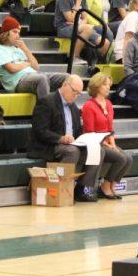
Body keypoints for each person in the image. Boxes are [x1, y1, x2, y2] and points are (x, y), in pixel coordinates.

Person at [27, 74, 100, 202]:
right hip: (48, 145)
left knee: (97, 150)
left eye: (78, 94)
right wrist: (61, 138)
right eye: (74, 91)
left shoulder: (74, 108)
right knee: (72, 151)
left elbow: (77, 132)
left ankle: (82, 189)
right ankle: (61, 189)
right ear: (65, 85)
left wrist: (87, 140)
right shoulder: (46, 102)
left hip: (70, 144)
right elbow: (40, 131)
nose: (76, 96)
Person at [81, 73, 134, 199]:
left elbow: (110, 129)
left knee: (128, 159)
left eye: (109, 85)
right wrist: (107, 145)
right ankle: (105, 186)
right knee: (121, 158)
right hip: (95, 142)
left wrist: (113, 144)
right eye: (105, 84)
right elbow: (90, 131)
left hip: (107, 142)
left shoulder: (109, 104)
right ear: (97, 86)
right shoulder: (89, 106)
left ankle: (111, 185)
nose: (108, 87)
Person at [0, 16, 67, 97]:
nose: (18, 36)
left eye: (19, 33)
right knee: (41, 79)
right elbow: (12, 69)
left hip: (34, 75)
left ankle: (61, 107)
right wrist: (27, 64)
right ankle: (46, 108)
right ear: (6, 33)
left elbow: (36, 67)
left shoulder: (19, 49)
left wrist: (25, 49)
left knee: (67, 78)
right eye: (15, 32)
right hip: (18, 81)